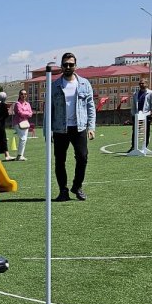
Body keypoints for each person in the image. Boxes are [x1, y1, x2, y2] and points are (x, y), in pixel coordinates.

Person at [51, 52, 95, 202]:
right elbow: (49, 110)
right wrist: (48, 130)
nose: (68, 67)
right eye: (65, 64)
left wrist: (91, 127)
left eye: (71, 64)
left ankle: (77, 186)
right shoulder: (54, 86)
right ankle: (63, 190)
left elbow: (91, 107)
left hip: (79, 127)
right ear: (61, 66)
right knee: (60, 160)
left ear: (75, 66)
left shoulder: (84, 83)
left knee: (82, 157)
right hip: (60, 129)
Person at [129, 79, 152, 151]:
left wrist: (151, 113)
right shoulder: (135, 94)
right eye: (140, 83)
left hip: (146, 115)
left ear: (146, 84)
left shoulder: (151, 93)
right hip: (137, 115)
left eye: (142, 83)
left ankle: (145, 147)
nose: (141, 85)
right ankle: (133, 147)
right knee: (135, 131)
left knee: (146, 131)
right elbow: (133, 105)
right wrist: (133, 114)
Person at [11, 89, 33, 161]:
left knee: (24, 139)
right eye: (22, 94)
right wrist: (27, 113)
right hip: (18, 123)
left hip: (25, 123)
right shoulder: (17, 104)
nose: (24, 95)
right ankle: (20, 155)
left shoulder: (28, 104)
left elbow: (31, 113)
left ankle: (20, 155)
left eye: (25, 94)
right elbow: (20, 113)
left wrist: (26, 113)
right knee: (23, 138)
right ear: (19, 95)